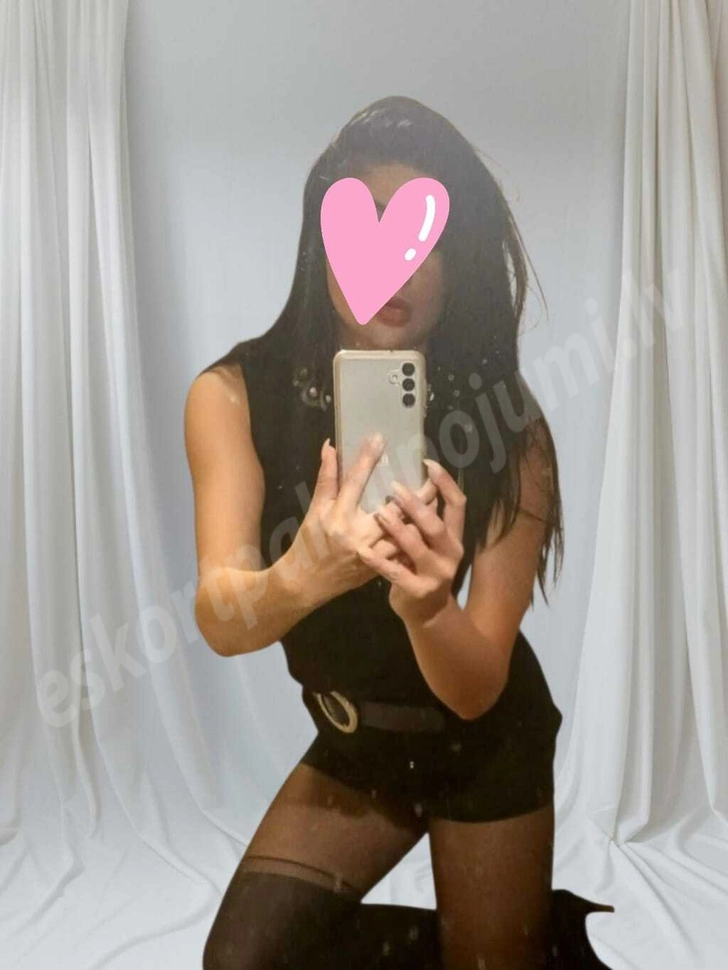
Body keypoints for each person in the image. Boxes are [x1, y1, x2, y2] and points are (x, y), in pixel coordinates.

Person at [185, 96, 615, 969]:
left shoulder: (511, 434)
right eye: (368, 228)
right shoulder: (232, 396)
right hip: (357, 744)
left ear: (459, 268)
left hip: (484, 745)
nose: (396, 264)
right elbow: (222, 618)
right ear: (324, 245)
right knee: (240, 965)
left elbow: (477, 687)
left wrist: (426, 609)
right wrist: (302, 575)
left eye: (425, 240)